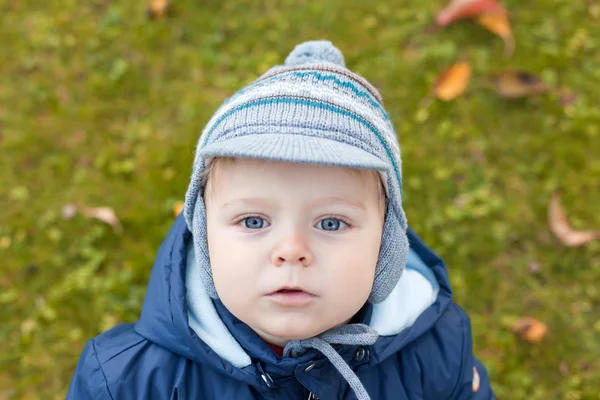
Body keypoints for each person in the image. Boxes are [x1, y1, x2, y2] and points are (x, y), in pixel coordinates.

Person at [67, 40, 494, 399]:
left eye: (330, 223)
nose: (291, 251)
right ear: (204, 237)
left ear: (386, 247)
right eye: (254, 221)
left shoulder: (437, 351)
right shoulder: (126, 382)